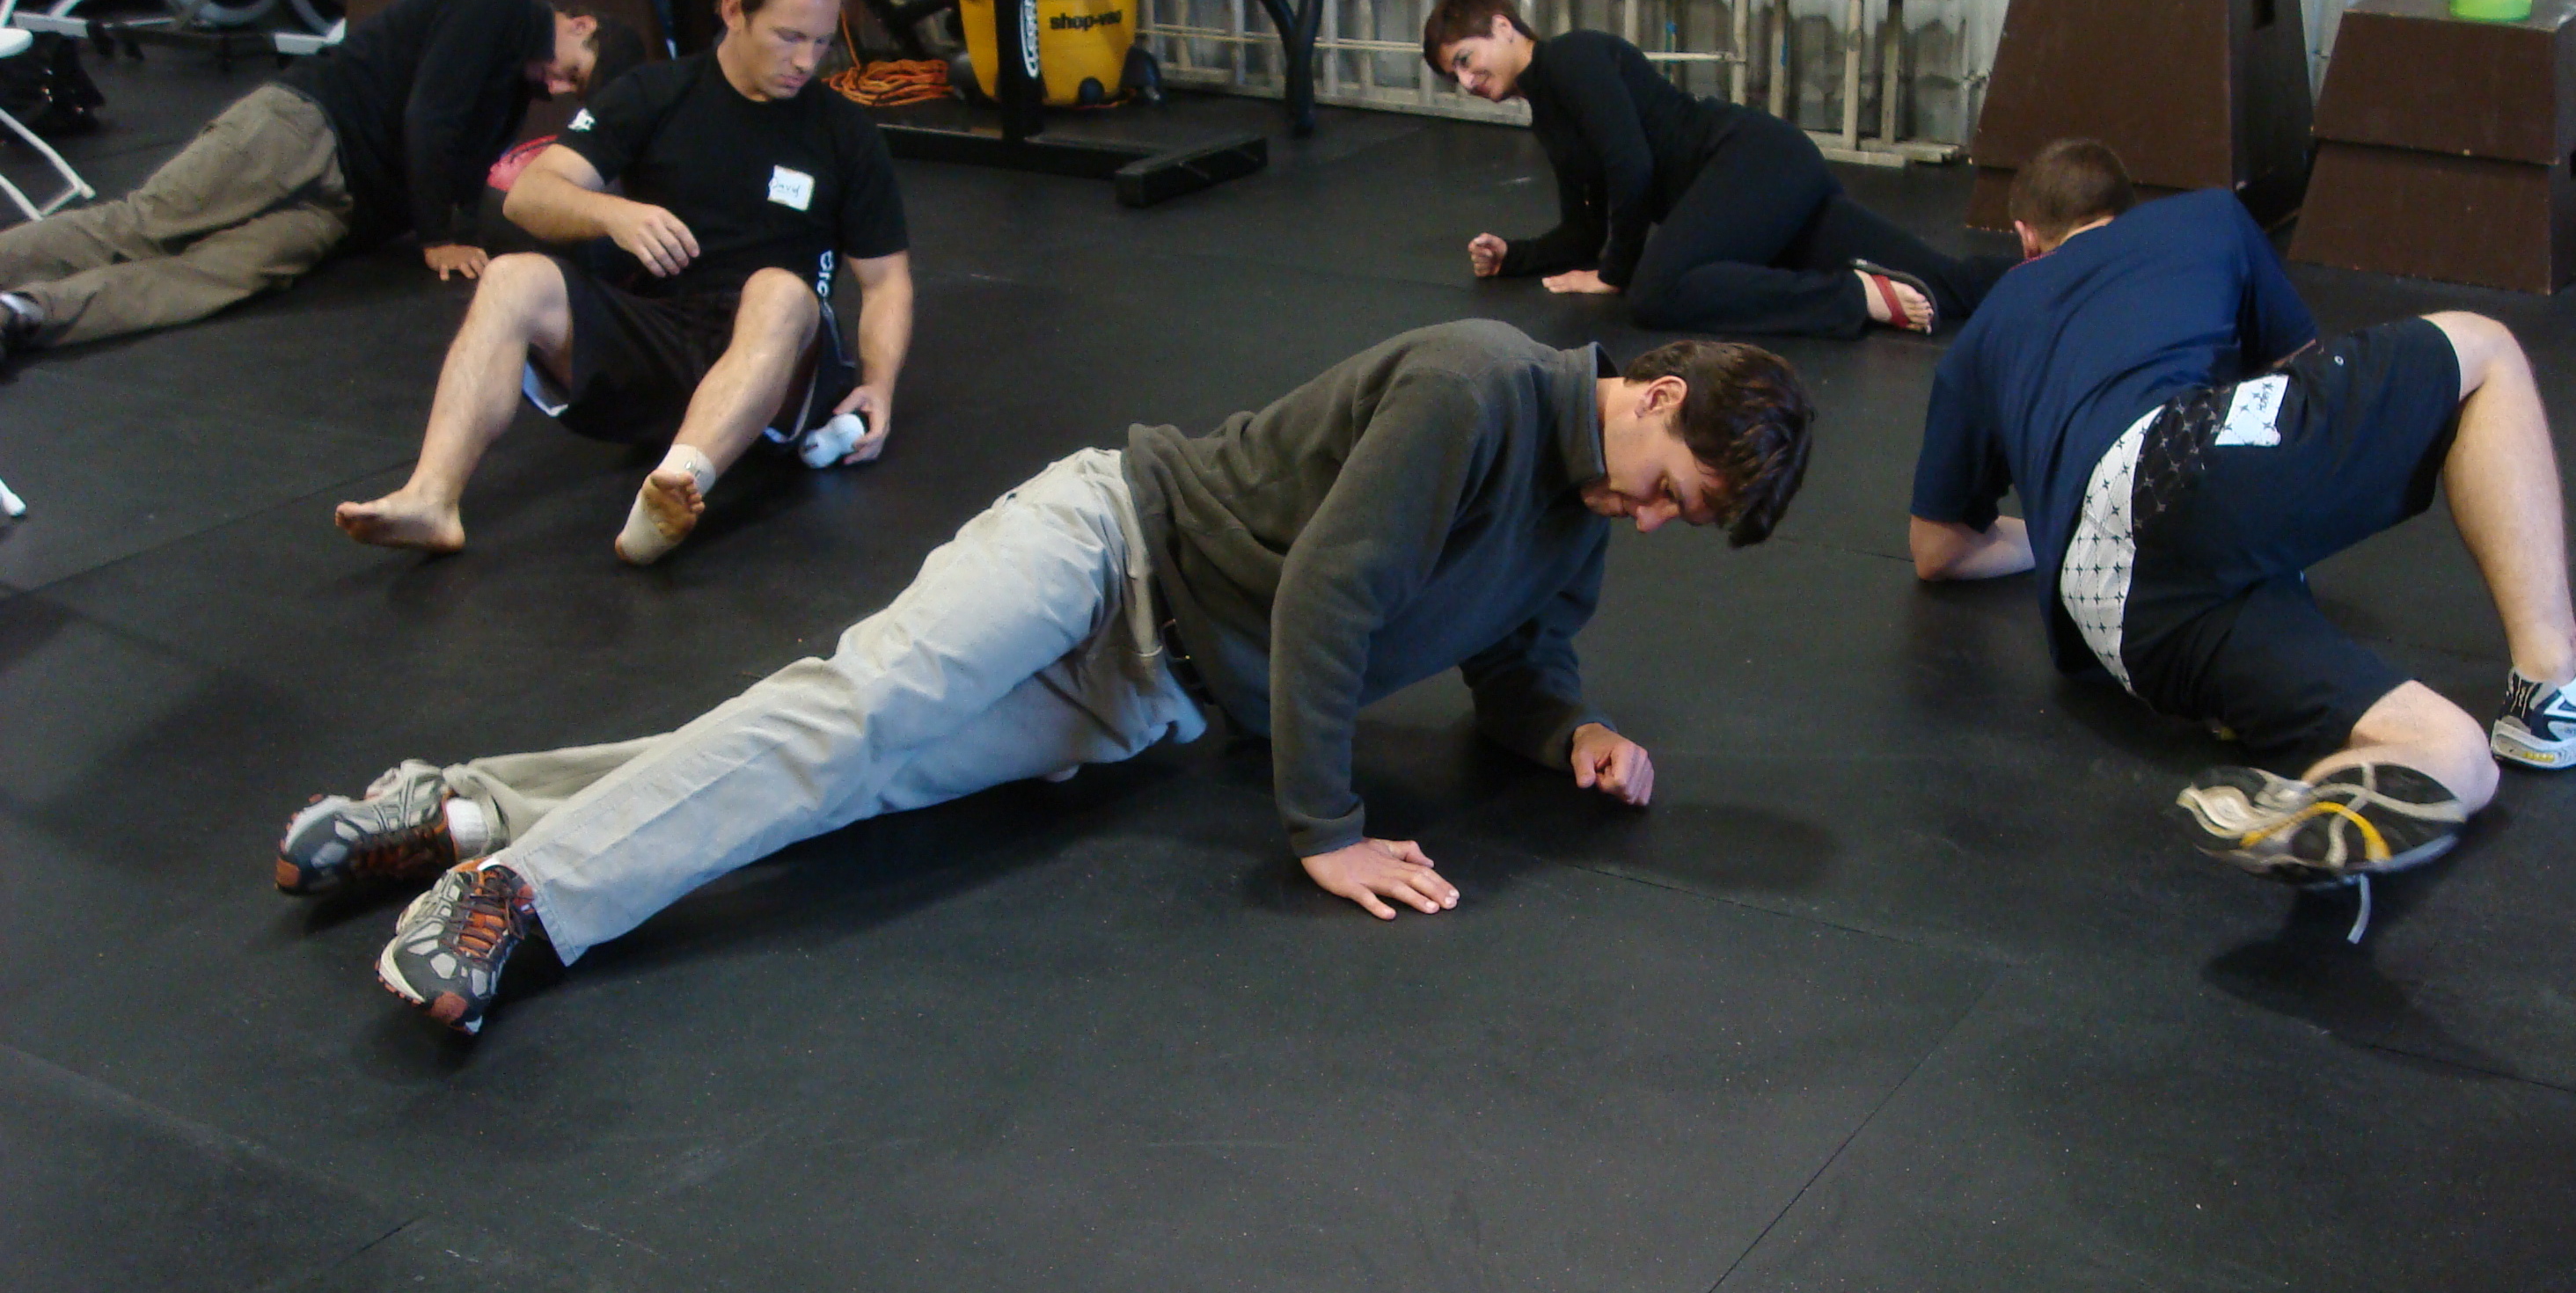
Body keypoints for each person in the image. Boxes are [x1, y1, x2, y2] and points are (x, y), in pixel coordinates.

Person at [273, 320, 1817, 1034]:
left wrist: (1570, 731)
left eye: (1682, 522)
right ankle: (522, 899)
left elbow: (1521, 658)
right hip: (1105, 542)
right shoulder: (1477, 388)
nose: (1652, 520)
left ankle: (464, 806)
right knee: (860, 709)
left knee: (848, 776)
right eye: (1672, 488)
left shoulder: (1576, 518)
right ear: (1653, 393)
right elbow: (1334, 595)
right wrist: (1326, 828)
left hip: (1144, 698)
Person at [1905, 138, 2576, 889]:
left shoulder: (1985, 331)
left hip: (2107, 610)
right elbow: (2298, 371)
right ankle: (2557, 685)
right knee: (2488, 350)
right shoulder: (2204, 218)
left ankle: (2320, 799)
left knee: (2456, 750)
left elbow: (1940, 549)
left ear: (2026, 238)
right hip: (2174, 463)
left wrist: (2053, 526)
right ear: (2126, 209)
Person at [334, 0, 913, 565]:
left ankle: (674, 489)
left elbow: (885, 281)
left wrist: (879, 386)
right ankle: (430, 498)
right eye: (789, 37)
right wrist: (612, 214)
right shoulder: (655, 94)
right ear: (733, 11)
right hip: (662, 336)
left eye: (821, 43)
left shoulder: (844, 133)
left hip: (779, 366)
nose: (806, 61)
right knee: (511, 277)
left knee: (777, 290)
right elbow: (530, 195)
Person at [0, 0, 640, 357]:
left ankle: (25, 314)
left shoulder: (513, 87)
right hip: (302, 128)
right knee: (143, 225)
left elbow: (466, 171)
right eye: (572, 73)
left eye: (571, 92)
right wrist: (438, 240)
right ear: (579, 24)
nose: (557, 88)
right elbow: (429, 118)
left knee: (211, 278)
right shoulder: (497, 5)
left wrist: (467, 237)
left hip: (339, 211)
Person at [1422, 0, 2012, 340]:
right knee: (1944, 285)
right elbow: (1584, 228)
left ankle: (1853, 299)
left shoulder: (1572, 58)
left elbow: (1631, 166)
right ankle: (2056, 274)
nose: (1467, 82)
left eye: (1467, 60)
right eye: (1455, 76)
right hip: (1749, 197)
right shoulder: (1549, 115)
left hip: (1753, 162)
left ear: (1503, 26)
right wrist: (1515, 256)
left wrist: (1615, 274)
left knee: (1655, 291)